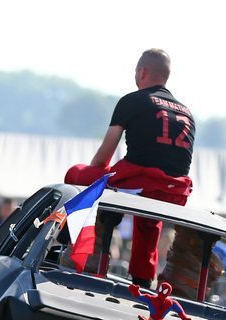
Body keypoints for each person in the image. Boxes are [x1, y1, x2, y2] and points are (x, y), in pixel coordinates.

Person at [65, 48, 195, 286]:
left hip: (141, 182)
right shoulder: (187, 112)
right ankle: (143, 279)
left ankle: (76, 241)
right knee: (149, 219)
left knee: (77, 173)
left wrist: (97, 186)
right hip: (175, 192)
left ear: (142, 72)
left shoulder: (132, 101)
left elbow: (102, 158)